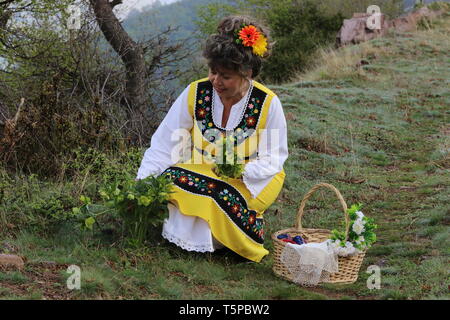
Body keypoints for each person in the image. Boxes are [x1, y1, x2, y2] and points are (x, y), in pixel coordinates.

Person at [136, 15, 288, 263]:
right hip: (201, 167)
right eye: (213, 72)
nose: (216, 81)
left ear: (247, 72)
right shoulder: (196, 91)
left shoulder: (268, 103)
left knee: (218, 195)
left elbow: (275, 157)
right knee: (170, 180)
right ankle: (207, 240)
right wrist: (143, 181)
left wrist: (241, 171)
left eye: (225, 76)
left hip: (254, 178)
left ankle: (233, 239)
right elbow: (165, 142)